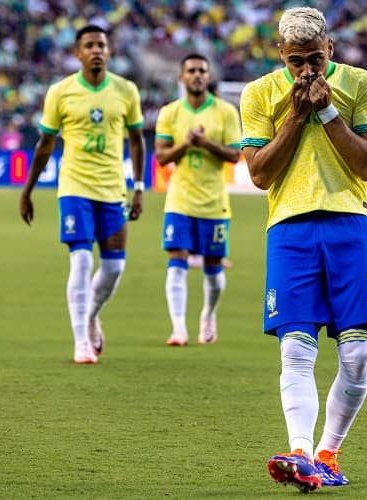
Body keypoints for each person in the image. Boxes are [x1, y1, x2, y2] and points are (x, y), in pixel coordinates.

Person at [239, 6, 367, 492]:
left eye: (315, 61)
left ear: (331, 49)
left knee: (358, 356)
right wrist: (296, 116)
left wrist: (325, 112)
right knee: (295, 350)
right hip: (289, 229)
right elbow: (260, 174)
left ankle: (329, 452)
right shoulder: (260, 92)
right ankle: (301, 453)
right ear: (280, 52)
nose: (306, 71)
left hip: (350, 223)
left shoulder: (363, 85)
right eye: (296, 60)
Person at [18, 25, 146, 364]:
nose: (96, 50)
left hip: (113, 188)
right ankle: (80, 342)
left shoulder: (126, 90)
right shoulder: (60, 92)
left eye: (101, 45)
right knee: (82, 259)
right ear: (77, 53)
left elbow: (136, 140)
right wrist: (27, 190)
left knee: (115, 267)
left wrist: (139, 187)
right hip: (74, 187)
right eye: (89, 45)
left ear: (109, 50)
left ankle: (90, 316)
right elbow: (45, 143)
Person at [155, 53, 241, 346]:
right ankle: (178, 328)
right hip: (179, 201)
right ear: (181, 77)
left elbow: (234, 154)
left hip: (214, 202)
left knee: (214, 270)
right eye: (191, 70)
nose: (196, 75)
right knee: (176, 261)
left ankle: (208, 314)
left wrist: (204, 143)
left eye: (202, 71)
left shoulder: (225, 112)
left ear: (208, 76)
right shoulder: (170, 113)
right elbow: (161, 156)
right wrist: (186, 144)